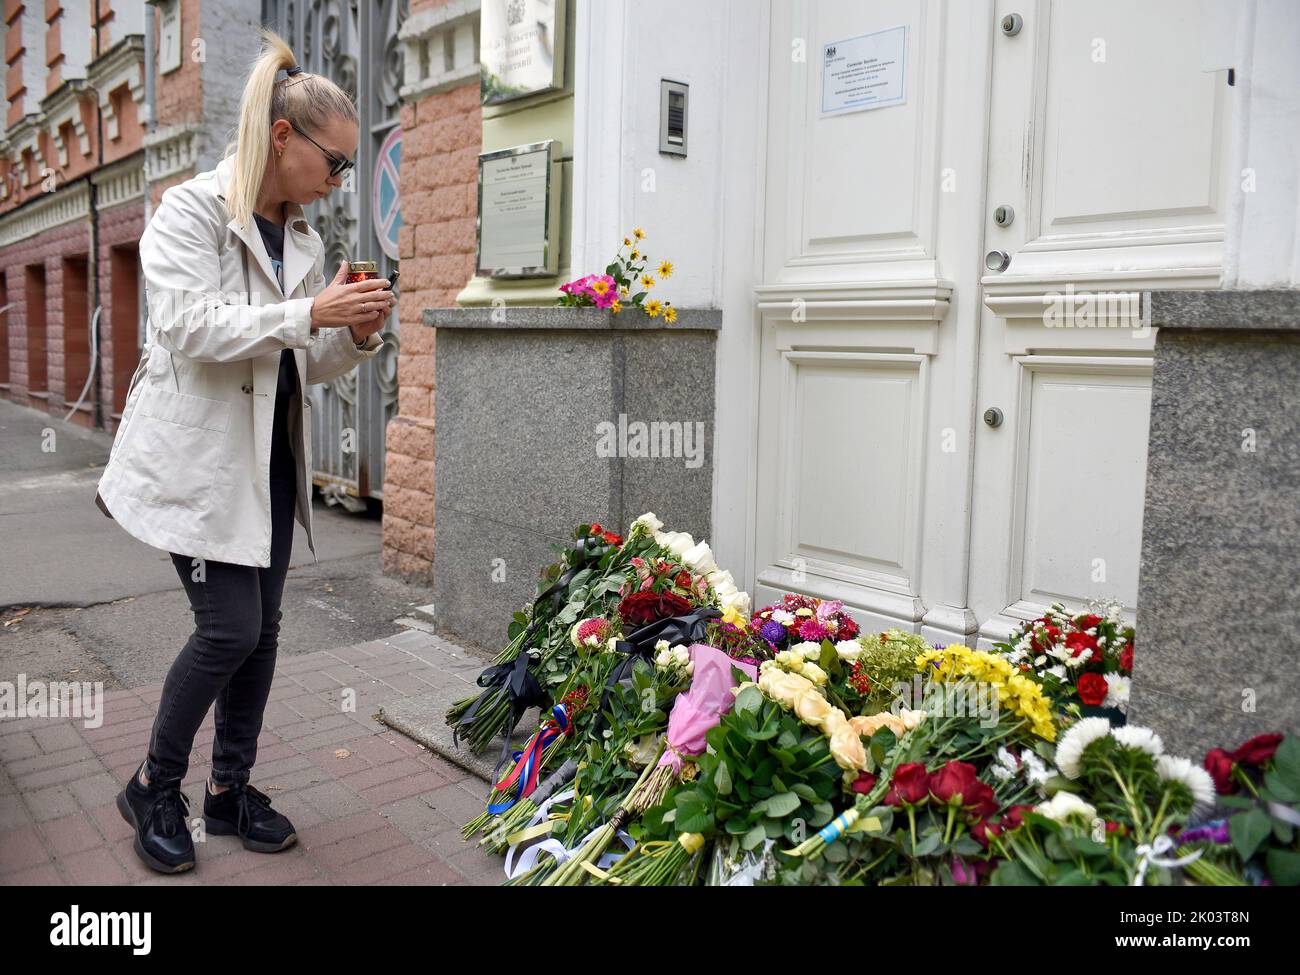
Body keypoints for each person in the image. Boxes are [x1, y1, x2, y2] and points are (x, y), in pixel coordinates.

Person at [94, 28, 396, 874]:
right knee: (227, 628)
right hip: (198, 466)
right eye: (335, 164)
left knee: (260, 634)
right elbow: (191, 329)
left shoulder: (298, 238)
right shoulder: (191, 211)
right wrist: (311, 316)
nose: (339, 182)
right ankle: (155, 783)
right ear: (284, 138)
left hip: (270, 462)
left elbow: (298, 358)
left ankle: (228, 793)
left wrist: (355, 333)